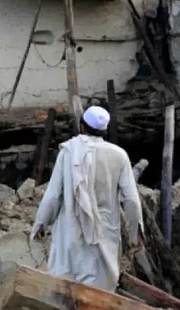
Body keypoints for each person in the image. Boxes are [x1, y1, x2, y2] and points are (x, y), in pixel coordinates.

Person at [30, 106, 143, 292]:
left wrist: (41, 223)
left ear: (82, 127)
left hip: (70, 232)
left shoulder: (68, 153)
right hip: (103, 236)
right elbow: (131, 200)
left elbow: (53, 195)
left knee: (65, 290)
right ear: (105, 130)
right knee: (99, 293)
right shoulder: (119, 155)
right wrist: (135, 233)